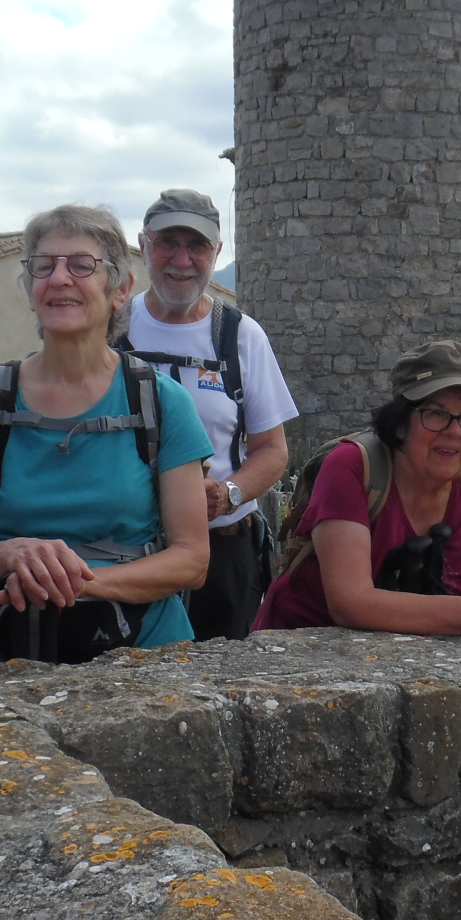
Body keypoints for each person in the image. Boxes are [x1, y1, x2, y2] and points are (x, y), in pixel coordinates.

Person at [0, 204, 211, 662]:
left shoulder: (162, 403)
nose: (59, 278)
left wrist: (74, 583)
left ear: (121, 289)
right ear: (30, 288)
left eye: (81, 265)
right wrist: (12, 554)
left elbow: (192, 560)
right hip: (8, 659)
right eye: (44, 266)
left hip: (145, 661)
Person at [253, 340, 461, 636]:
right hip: (306, 655)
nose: (455, 431)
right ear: (400, 422)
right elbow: (350, 603)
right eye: (436, 413)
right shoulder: (352, 466)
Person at [118, 189, 297, 640]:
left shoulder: (241, 336)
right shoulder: (110, 329)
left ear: (216, 252)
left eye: (197, 245)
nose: (182, 260)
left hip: (223, 555)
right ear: (143, 245)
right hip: (124, 551)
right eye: (167, 242)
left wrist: (230, 493)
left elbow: (272, 450)